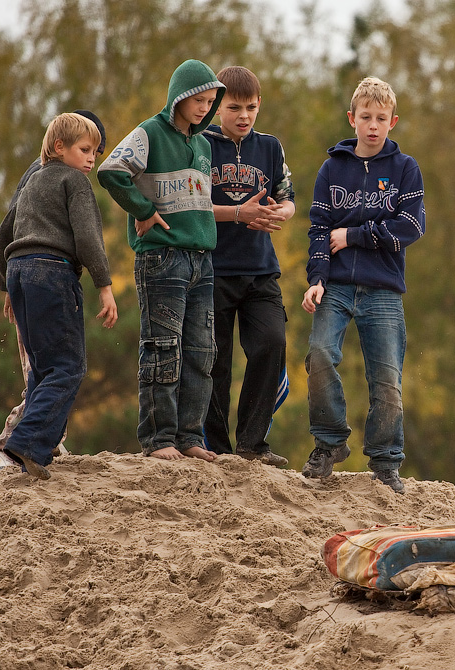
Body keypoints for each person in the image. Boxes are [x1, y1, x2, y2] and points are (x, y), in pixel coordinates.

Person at [300, 76, 427, 494]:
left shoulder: (405, 169)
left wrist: (352, 236)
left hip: (384, 289)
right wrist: (315, 279)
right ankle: (329, 443)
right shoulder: (331, 168)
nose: (373, 125)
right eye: (366, 117)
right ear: (352, 119)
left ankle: (387, 461)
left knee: (387, 380)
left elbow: (409, 227)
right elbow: (319, 228)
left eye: (382, 118)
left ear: (393, 121)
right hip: (334, 285)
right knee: (319, 354)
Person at [97, 59, 225, 463]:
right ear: (179, 98)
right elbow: (111, 170)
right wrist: (142, 209)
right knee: (162, 348)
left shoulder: (204, 145)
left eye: (210, 101)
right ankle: (158, 439)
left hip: (202, 261)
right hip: (162, 258)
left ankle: (190, 436)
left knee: (201, 353)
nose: (205, 108)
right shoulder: (149, 132)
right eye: (198, 100)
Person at [0, 109, 109, 476]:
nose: (91, 160)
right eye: (86, 150)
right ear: (59, 147)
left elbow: (3, 235)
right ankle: (20, 445)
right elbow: (88, 239)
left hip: (20, 273)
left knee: (39, 370)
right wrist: (105, 285)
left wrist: (7, 285)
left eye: (96, 153)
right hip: (53, 274)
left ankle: (34, 444)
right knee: (67, 366)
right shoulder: (73, 182)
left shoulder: (32, 181)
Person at [202, 65, 294, 467]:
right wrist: (240, 213)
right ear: (217, 106)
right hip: (213, 268)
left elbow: (287, 195)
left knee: (271, 343)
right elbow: (193, 205)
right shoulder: (199, 144)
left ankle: (253, 444)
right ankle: (217, 449)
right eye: (235, 107)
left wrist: (280, 214)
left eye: (251, 107)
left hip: (261, 270)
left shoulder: (270, 146)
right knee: (215, 362)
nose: (244, 115)